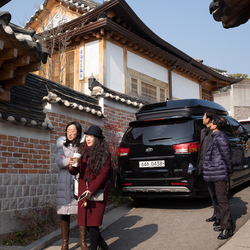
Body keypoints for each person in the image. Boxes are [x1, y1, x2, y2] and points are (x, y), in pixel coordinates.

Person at [68, 125, 111, 250]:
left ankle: (94, 247)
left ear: (97, 139)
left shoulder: (104, 154)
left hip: (97, 191)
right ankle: (102, 243)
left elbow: (102, 175)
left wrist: (90, 190)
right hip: (83, 191)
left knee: (93, 223)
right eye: (87, 136)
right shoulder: (82, 151)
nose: (88, 139)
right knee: (86, 223)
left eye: (91, 136)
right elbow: (74, 172)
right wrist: (72, 166)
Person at [56, 122, 88, 250]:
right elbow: (59, 161)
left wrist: (73, 162)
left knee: (81, 212)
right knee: (64, 213)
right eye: (68, 130)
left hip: (78, 180)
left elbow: (84, 162)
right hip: (64, 181)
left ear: (78, 133)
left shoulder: (83, 146)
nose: (69, 133)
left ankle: (83, 243)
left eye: (72, 131)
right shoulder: (62, 146)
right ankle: (65, 244)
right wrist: (68, 161)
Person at [203, 116, 233, 240]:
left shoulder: (220, 138)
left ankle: (227, 228)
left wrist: (230, 171)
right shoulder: (215, 137)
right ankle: (223, 224)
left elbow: (227, 156)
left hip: (219, 173)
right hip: (214, 172)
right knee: (218, 199)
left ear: (216, 125)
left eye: (212, 122)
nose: (210, 123)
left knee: (223, 201)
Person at [196, 110, 221, 227]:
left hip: (214, 167)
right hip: (206, 165)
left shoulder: (214, 132)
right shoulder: (203, 131)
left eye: (204, 116)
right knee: (211, 192)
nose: (202, 118)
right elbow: (202, 151)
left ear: (209, 119)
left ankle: (220, 217)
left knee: (217, 193)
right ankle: (216, 213)